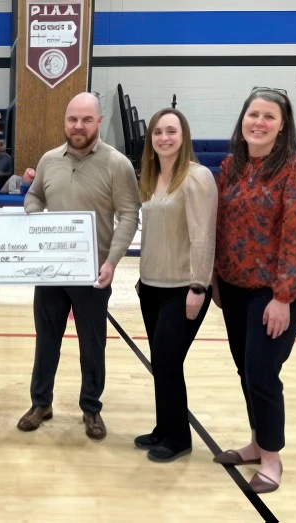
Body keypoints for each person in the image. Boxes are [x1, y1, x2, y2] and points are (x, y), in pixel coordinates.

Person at [212, 87, 296, 494]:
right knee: (245, 370)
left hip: (276, 292)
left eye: (268, 116)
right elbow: (220, 227)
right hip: (235, 289)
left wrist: (282, 297)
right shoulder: (230, 166)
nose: (258, 122)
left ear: (283, 125)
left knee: (262, 373)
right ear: (242, 121)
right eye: (252, 114)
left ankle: (272, 458)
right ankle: (256, 442)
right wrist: (217, 278)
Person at [17, 92, 140, 440]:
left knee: (92, 343)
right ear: (65, 121)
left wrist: (112, 262)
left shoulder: (117, 164)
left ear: (99, 121)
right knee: (47, 340)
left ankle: (91, 408)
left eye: (87, 119)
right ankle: (41, 403)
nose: (79, 126)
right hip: (51, 269)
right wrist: (33, 217)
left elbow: (129, 214)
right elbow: (34, 196)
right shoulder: (49, 160)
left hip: (93, 273)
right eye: (73, 119)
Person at [134, 108, 217, 462]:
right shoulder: (150, 178)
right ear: (150, 140)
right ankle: (164, 427)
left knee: (168, 359)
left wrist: (199, 286)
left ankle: (179, 437)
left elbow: (203, 235)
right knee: (161, 361)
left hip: (184, 287)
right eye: (157, 132)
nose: (164, 137)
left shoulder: (196, 177)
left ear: (183, 137)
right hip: (151, 285)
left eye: (171, 131)